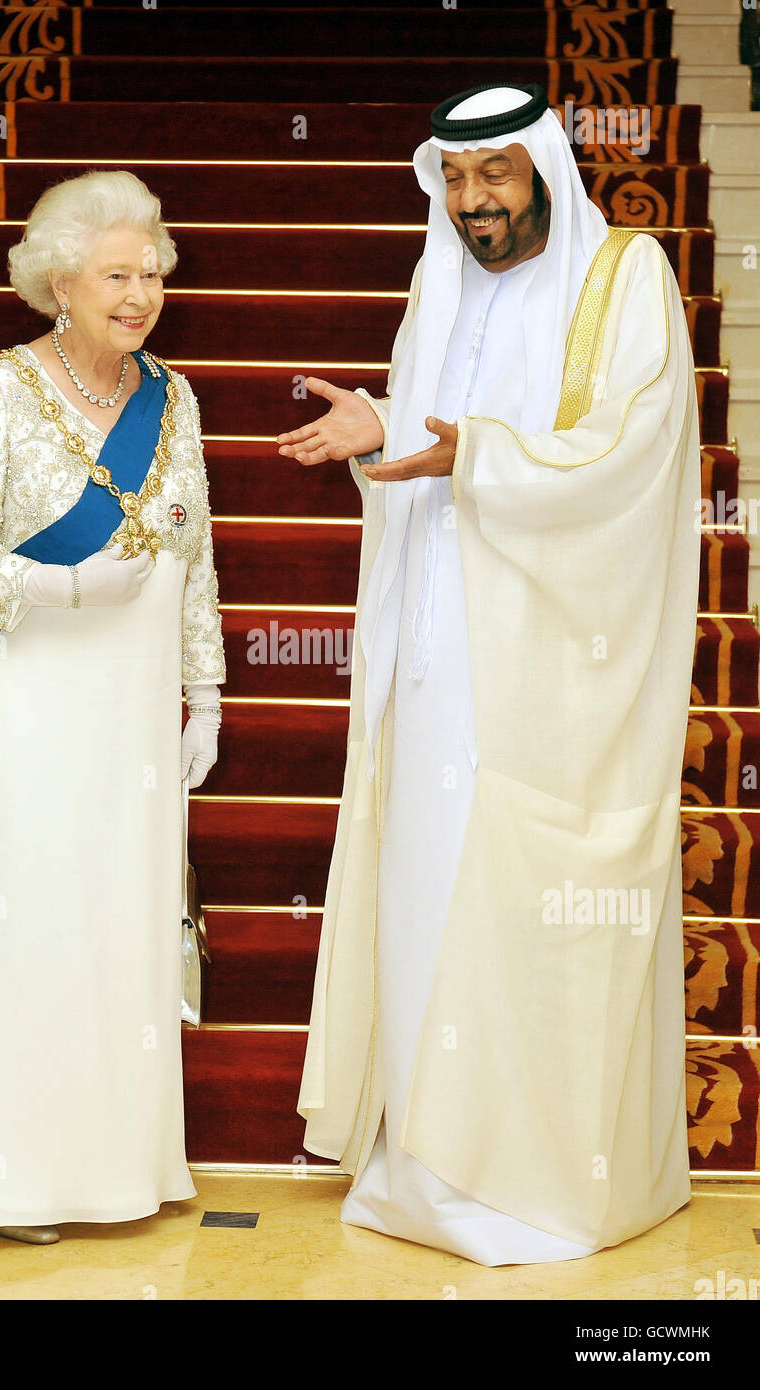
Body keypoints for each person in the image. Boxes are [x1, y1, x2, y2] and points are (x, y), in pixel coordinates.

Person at [278, 84, 701, 1265]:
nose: (474, 204)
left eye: (495, 179)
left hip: (546, 664)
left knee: (521, 901)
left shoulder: (628, 279)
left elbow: (633, 446)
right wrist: (383, 436)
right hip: (429, 651)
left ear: (546, 174)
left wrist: (484, 455)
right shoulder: (438, 285)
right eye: (455, 183)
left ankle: (537, 1179)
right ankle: (423, 1164)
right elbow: (416, 452)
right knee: (423, 888)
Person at [0, 170, 226, 1244]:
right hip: (27, 704)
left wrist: (206, 692)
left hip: (127, 714)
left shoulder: (173, 399)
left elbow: (197, 555)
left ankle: (117, 1165)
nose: (139, 295)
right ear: (59, 283)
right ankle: (19, 1177)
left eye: (152, 275)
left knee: (115, 926)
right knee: (32, 924)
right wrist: (47, 586)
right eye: (117, 275)